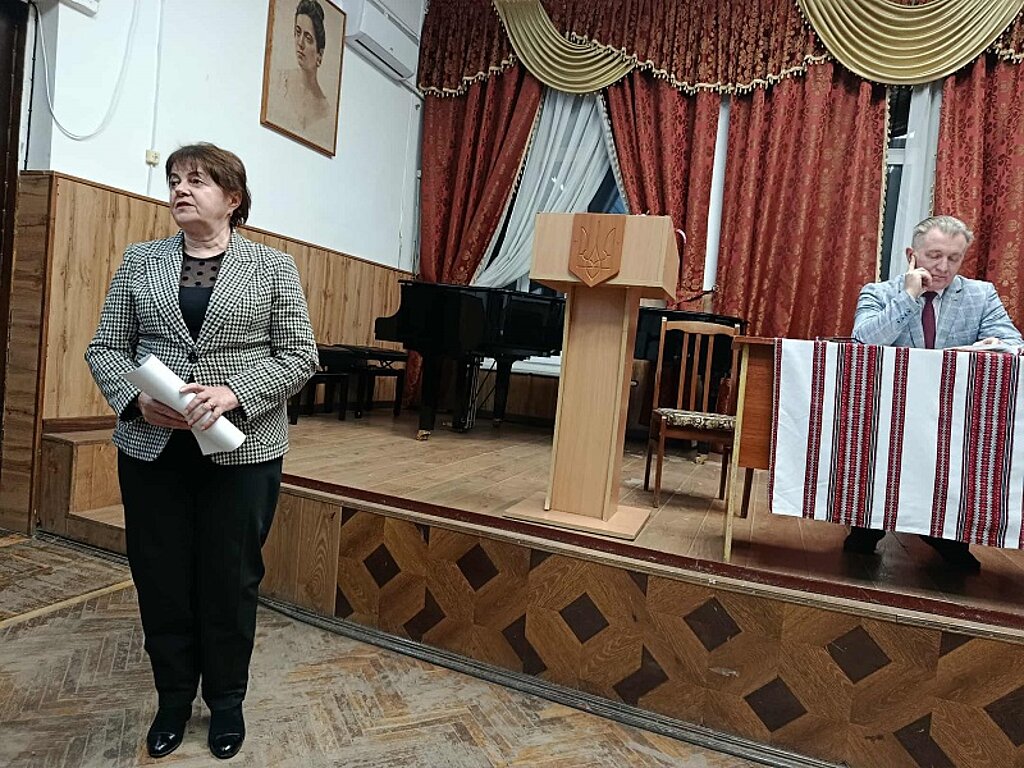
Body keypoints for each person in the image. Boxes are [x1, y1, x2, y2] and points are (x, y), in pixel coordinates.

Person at [85, 143, 317, 759]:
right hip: (153, 447)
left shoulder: (273, 267)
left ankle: (227, 702)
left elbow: (300, 356)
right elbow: (104, 348)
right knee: (160, 576)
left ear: (233, 198)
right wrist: (135, 400)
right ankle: (171, 699)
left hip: (241, 450)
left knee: (230, 578)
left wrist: (235, 392)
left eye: (197, 180)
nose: (180, 189)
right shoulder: (140, 262)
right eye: (174, 180)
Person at [849, 214, 1023, 570]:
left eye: (954, 258)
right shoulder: (879, 293)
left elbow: (1013, 343)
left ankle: (946, 533)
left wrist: (979, 350)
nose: (944, 267)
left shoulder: (980, 295)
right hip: (892, 410)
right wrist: (910, 295)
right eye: (934, 256)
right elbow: (864, 342)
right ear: (911, 255)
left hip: (954, 414)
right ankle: (868, 522)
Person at [274, 0, 332, 142]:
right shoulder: (280, 81)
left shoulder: (325, 110)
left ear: (319, 54)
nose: (300, 43)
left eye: (308, 38)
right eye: (298, 33)